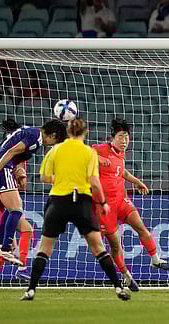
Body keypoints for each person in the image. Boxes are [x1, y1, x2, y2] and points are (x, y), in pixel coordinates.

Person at [21, 118, 130, 301]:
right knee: (98, 248)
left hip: (58, 202)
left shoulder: (55, 150)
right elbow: (95, 182)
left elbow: (44, 177)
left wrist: (62, 178)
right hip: (82, 202)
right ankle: (119, 288)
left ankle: (30, 290)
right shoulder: (89, 152)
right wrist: (103, 203)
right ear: (85, 132)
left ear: (69, 131)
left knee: (44, 249)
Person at [92, 119, 169, 292]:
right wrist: (96, 157)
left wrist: (137, 182)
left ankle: (155, 259)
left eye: (127, 137)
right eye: (121, 137)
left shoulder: (120, 154)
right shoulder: (99, 149)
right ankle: (126, 276)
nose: (124, 141)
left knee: (141, 227)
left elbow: (122, 171)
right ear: (112, 138)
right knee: (115, 245)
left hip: (122, 200)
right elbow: (81, 152)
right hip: (105, 206)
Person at [0, 119, 67, 274]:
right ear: (53, 135)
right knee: (16, 209)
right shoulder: (35, 136)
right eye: (56, 141)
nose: (53, 145)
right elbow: (11, 151)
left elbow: (14, 151)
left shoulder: (31, 133)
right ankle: (5, 248)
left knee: (13, 207)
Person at [0, 119, 36, 292]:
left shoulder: (3, 149)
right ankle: (21, 267)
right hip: (1, 206)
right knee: (15, 240)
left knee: (22, 235)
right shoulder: (17, 155)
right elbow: (23, 184)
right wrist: (21, 177)